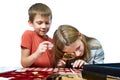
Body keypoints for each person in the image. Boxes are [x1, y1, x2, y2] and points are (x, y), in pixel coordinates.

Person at [21, 3, 53, 68]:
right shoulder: (28, 35)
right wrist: (37, 53)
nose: (44, 26)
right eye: (39, 23)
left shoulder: (51, 41)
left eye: (47, 23)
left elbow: (52, 65)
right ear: (30, 23)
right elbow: (24, 63)